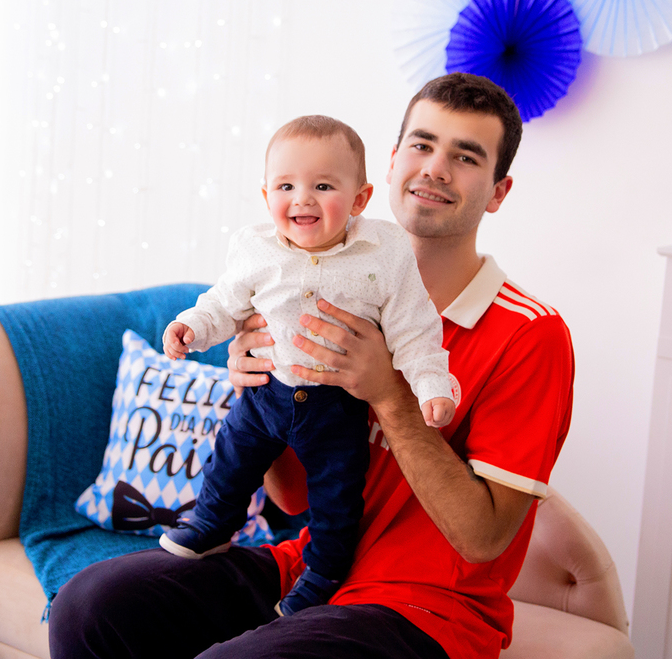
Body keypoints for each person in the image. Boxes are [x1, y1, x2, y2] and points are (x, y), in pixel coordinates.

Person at [48, 73, 575, 659]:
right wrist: (260, 384)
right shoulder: (322, 287)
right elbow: (293, 498)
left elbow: (483, 539)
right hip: (310, 567)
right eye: (422, 146)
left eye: (465, 156)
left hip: (428, 611)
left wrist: (387, 392)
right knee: (89, 606)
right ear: (395, 161)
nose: (435, 169)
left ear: (498, 192)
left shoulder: (530, 334)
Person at [159, 115, 456, 615]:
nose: (302, 198)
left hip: (334, 404)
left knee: (336, 495)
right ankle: (211, 524)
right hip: (266, 395)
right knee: (230, 458)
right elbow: (224, 303)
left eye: (323, 186)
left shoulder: (383, 253)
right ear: (266, 194)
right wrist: (192, 326)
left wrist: (431, 384)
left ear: (360, 199)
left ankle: (323, 572)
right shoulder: (255, 248)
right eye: (286, 185)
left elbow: (413, 326)